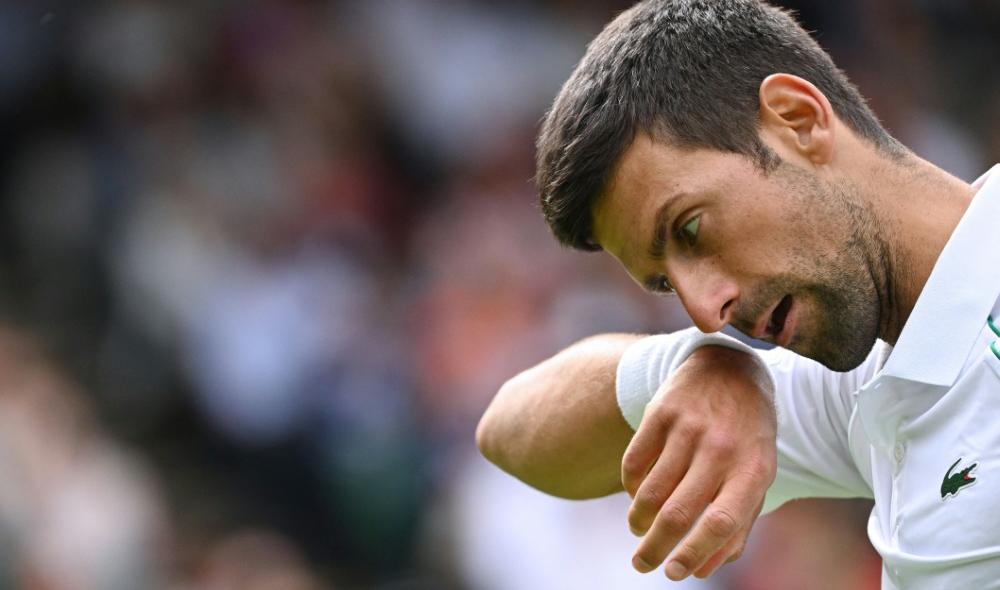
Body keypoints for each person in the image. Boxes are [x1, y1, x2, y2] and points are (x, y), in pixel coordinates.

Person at [475, 0, 1000, 588]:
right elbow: (508, 432)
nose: (704, 312)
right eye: (665, 283)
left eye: (691, 229)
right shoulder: (868, 378)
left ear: (798, 120)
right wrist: (701, 369)